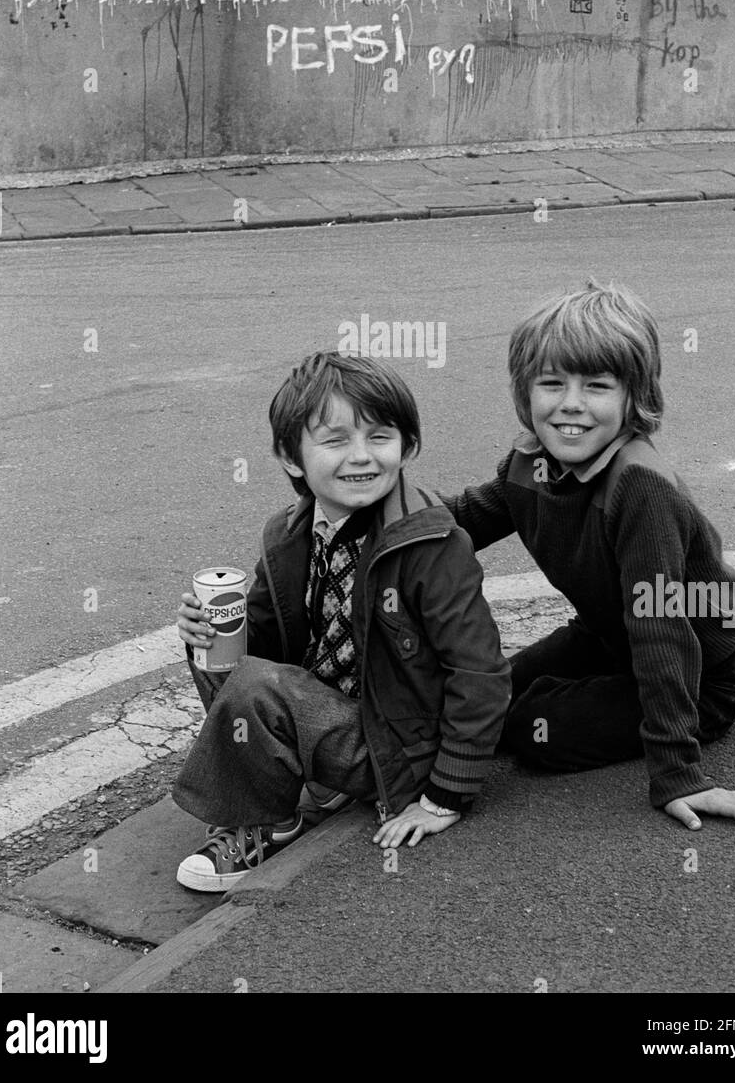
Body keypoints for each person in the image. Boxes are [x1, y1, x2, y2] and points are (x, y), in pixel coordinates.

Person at [444, 279, 735, 832]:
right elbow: (466, 516)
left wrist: (678, 773)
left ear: (634, 397)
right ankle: (576, 693)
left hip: (700, 674)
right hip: (605, 637)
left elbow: (663, 629)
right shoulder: (531, 462)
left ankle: (587, 704)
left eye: (597, 385)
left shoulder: (640, 488)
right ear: (525, 392)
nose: (571, 404)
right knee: (484, 700)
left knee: (534, 729)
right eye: (551, 383)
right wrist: (375, 510)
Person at [172, 350, 511, 891]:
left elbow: (482, 674)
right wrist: (202, 633)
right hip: (337, 714)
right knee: (219, 656)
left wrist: (447, 795)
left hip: (396, 748)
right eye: (335, 441)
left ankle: (268, 823)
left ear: (408, 445)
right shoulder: (288, 534)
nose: (362, 457)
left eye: (380, 437)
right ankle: (306, 776)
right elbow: (263, 637)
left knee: (257, 686)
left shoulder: (432, 544)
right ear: (291, 457)